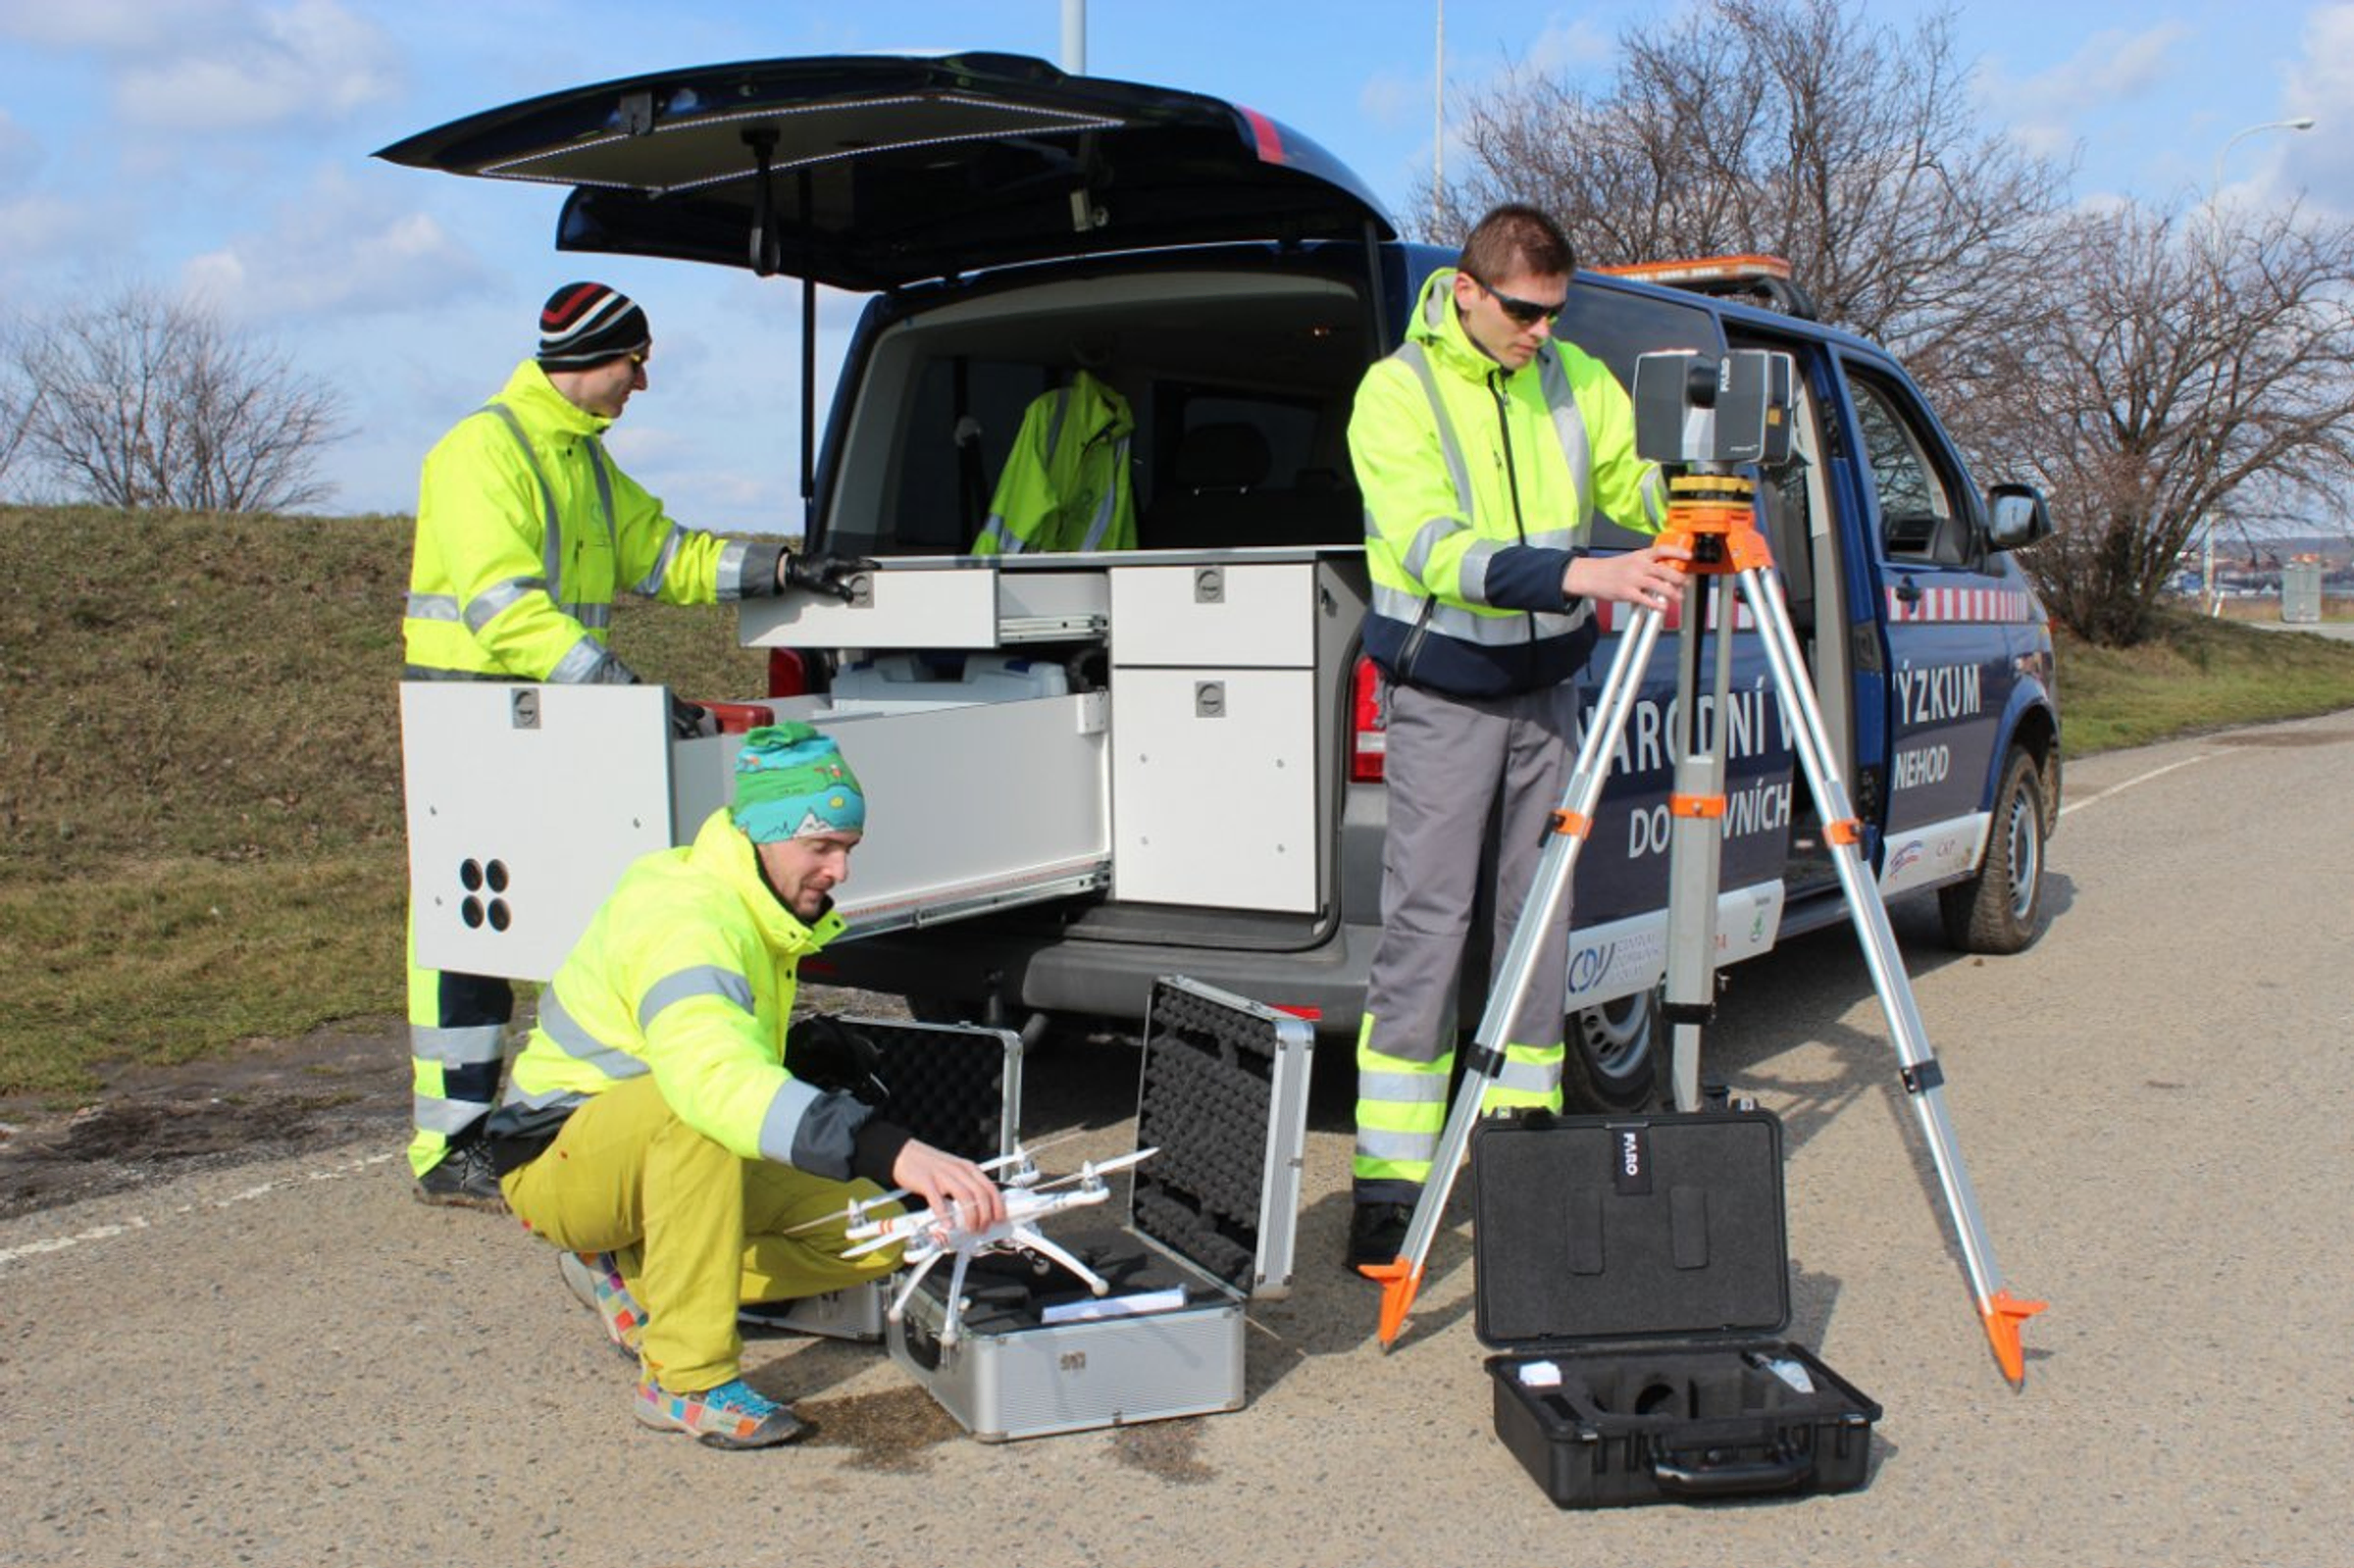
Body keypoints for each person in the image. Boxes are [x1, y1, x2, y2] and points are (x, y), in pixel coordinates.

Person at [401, 282, 844, 1209]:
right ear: (591, 357)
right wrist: (620, 693)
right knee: (473, 919)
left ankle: (553, 1117)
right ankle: (450, 1147)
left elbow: (667, 554)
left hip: (551, 715)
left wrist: (779, 568)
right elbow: (498, 604)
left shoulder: (583, 464)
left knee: (576, 908)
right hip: (477, 716)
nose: (641, 383)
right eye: (634, 362)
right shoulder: (483, 449)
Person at [485, 722, 1008, 1447]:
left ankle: (633, 1276)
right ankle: (684, 1379)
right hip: (557, 1159)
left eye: (848, 850)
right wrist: (890, 1149)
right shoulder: (688, 916)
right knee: (689, 1111)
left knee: (877, 1235)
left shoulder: (759, 909)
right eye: (821, 846)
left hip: (667, 1151)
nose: (840, 872)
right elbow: (710, 1082)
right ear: (765, 833)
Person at [1344, 205, 1689, 1273]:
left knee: (1538, 919)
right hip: (1446, 690)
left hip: (1550, 689)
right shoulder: (1397, 390)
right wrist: (1589, 575)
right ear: (1470, 289)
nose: (1543, 330)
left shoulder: (1579, 378)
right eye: (1527, 312)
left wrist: (1693, 496)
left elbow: (1633, 481)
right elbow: (1435, 547)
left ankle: (1518, 1139)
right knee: (1430, 927)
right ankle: (1393, 1182)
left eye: (1555, 312)